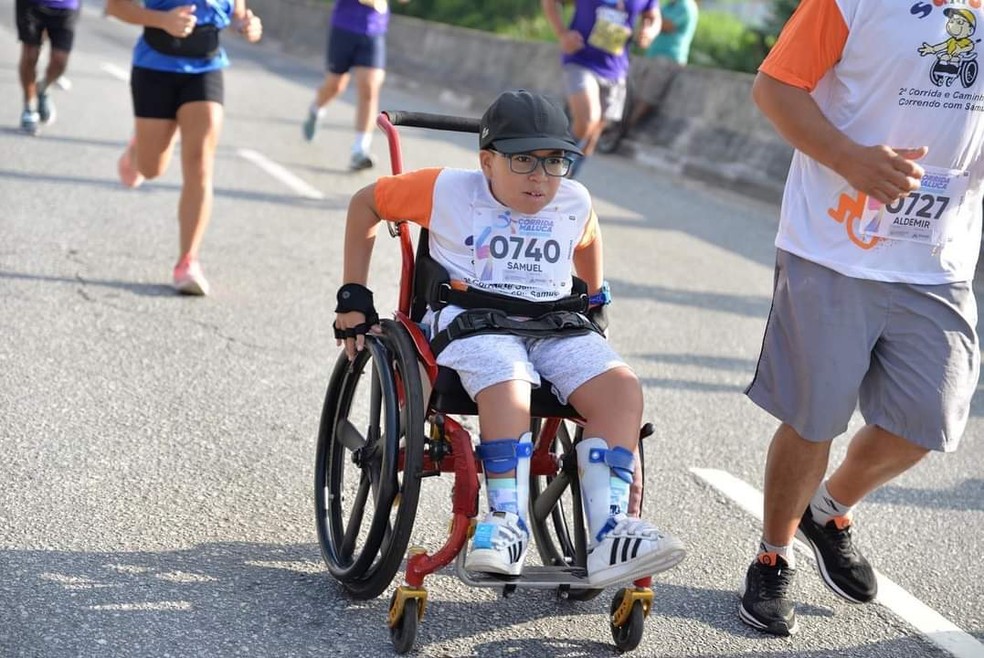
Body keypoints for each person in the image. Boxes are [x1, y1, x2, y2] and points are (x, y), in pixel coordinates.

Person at [333, 90, 686, 585]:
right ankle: (506, 521)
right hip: (473, 322)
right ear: (487, 160)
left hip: (555, 325)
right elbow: (366, 202)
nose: (541, 177)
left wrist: (596, 301)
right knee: (508, 376)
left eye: (554, 161)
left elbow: (588, 238)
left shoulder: (573, 199)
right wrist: (353, 296)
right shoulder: (445, 190)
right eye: (523, 160)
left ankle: (611, 530)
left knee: (621, 387)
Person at [741, 0, 982, 637]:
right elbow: (774, 87)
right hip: (833, 245)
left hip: (940, 255)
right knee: (815, 416)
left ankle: (830, 509)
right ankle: (774, 554)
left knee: (928, 419)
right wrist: (851, 159)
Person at [106, 0, 263, 296]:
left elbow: (239, 14)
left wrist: (247, 26)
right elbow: (115, 7)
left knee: (201, 162)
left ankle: (187, 261)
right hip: (154, 66)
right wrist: (161, 19)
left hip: (206, 67)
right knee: (150, 169)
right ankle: (139, 148)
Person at [541, 0, 660, 172]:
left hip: (615, 69)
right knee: (588, 119)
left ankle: (566, 182)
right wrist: (562, 34)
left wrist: (649, 32)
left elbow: (653, 17)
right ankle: (553, 164)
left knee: (594, 134)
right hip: (580, 59)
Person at [301, 0, 409, 171]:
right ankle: (316, 109)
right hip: (344, 28)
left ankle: (360, 150)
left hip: (375, 31)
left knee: (370, 89)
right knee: (335, 86)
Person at [626, 0, 697, 129]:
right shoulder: (669, 5)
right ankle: (620, 127)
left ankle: (626, 126)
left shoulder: (685, 6)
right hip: (653, 55)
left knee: (647, 96)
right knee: (636, 93)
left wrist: (651, 19)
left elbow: (667, 25)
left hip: (668, 58)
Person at [16, 0, 81, 135]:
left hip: (66, 6)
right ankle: (29, 107)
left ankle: (42, 89)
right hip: (31, 5)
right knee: (30, 55)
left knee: (60, 61)